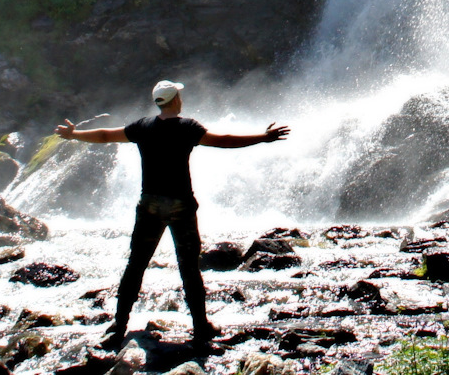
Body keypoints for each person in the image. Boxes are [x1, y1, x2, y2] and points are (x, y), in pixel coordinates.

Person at [55, 80, 289, 352]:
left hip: (150, 205)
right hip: (180, 205)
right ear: (175, 99)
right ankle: (201, 326)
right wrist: (262, 137)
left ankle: (118, 326)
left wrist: (74, 135)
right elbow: (223, 142)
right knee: (189, 266)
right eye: (179, 94)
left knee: (136, 264)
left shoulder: (142, 127)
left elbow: (106, 136)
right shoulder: (188, 128)